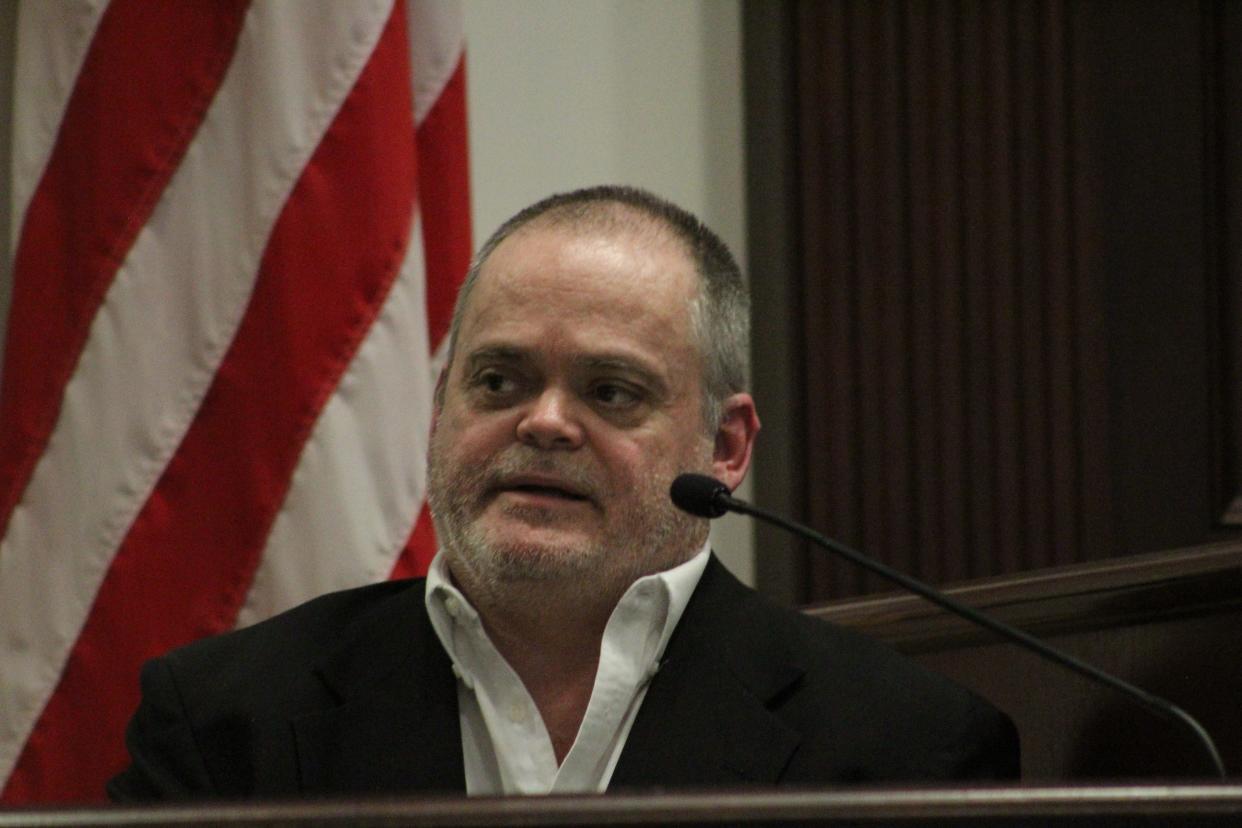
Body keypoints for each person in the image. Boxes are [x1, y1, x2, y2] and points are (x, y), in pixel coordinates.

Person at [109, 186, 1018, 799]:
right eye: (498, 382)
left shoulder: (906, 752)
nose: (544, 423)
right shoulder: (225, 724)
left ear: (727, 446)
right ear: (440, 409)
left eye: (610, 391)